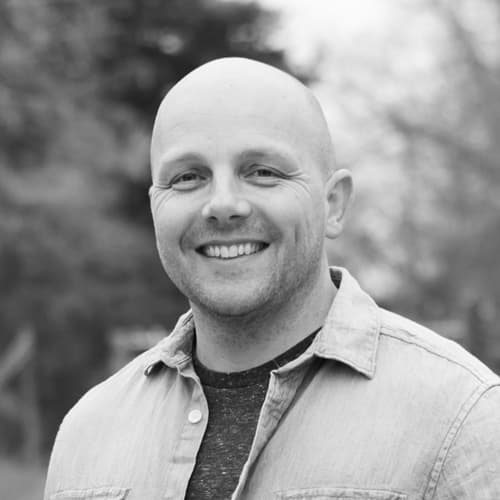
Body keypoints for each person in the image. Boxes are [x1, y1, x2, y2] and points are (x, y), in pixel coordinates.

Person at [44, 58, 500, 500]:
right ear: (154, 206)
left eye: (263, 172)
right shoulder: (87, 435)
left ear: (334, 204)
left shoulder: (461, 420)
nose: (222, 204)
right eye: (187, 177)